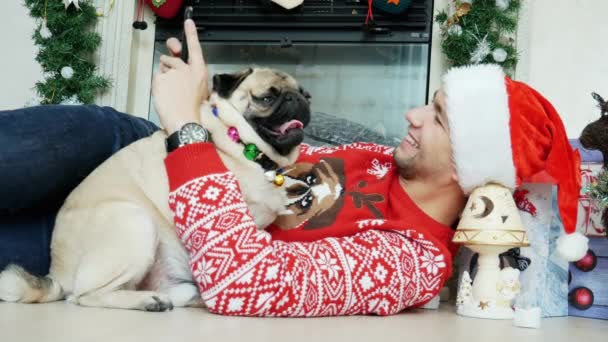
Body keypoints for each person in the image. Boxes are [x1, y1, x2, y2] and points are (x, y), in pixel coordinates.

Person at [0, 20, 585, 316]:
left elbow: (246, 285)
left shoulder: (408, 259)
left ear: (469, 164)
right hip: (144, 157)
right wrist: (211, 99)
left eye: (435, 116)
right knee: (83, 126)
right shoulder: (387, 155)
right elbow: (282, 122)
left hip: (147, 232)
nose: (410, 114)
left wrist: (189, 128)